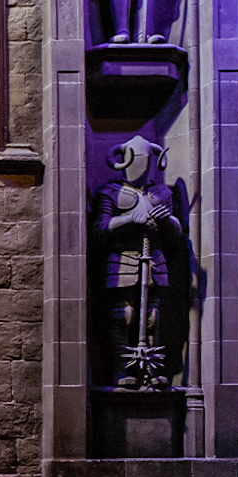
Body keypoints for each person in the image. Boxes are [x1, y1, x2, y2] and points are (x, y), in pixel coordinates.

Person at [92, 135, 183, 389]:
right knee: (124, 316)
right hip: (122, 260)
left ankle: (151, 370)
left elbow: (176, 236)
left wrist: (166, 221)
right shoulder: (111, 192)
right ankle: (123, 369)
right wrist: (132, 218)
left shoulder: (162, 193)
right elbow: (99, 229)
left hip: (154, 260)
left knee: (153, 317)